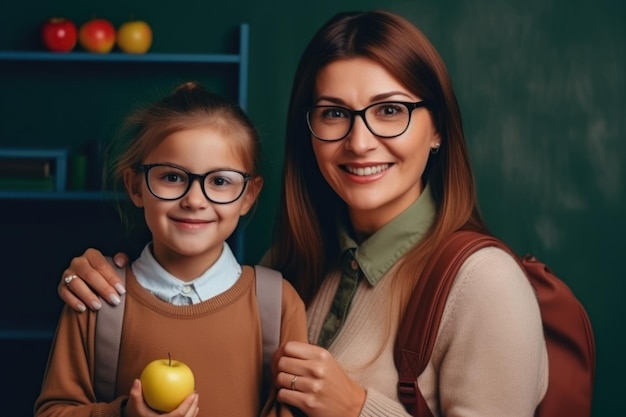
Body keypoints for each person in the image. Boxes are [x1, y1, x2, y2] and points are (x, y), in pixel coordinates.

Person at [56, 10, 549, 417]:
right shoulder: (293, 268)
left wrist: (358, 409)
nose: (359, 142)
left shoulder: (486, 283)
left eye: (390, 110)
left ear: (437, 128)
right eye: (334, 112)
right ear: (308, 130)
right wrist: (108, 281)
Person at [35, 81, 307, 417]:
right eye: (172, 178)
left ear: (248, 195)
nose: (194, 200)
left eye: (220, 181)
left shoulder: (278, 303)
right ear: (136, 186)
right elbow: (53, 411)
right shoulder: (96, 298)